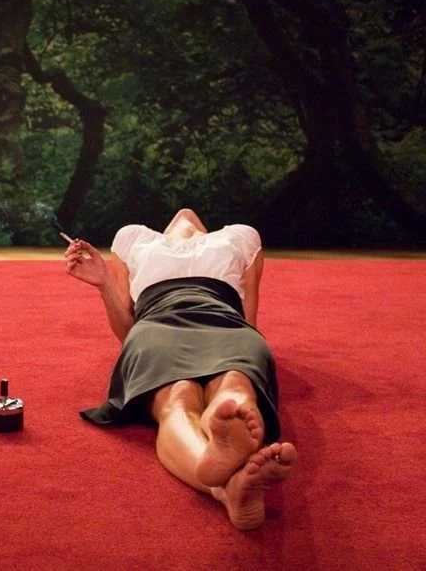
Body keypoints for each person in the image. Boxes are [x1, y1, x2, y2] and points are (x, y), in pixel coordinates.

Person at [64, 208, 297, 530]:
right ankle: (224, 478)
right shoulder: (132, 237)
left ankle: (226, 474)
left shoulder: (242, 236)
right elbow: (127, 332)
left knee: (234, 383)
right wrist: (104, 283)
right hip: (158, 323)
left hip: (227, 324)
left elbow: (249, 320)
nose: (185, 213)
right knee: (178, 396)